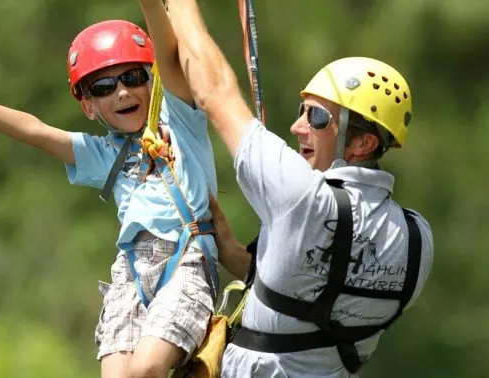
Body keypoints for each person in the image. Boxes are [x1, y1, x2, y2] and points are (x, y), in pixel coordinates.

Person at [0, 3, 219, 377]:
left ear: (152, 79)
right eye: (104, 87)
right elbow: (37, 131)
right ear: (89, 106)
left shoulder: (180, 120)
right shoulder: (104, 154)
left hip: (185, 258)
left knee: (146, 370)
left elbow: (166, 48)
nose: (122, 92)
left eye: (132, 77)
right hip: (130, 269)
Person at [165, 0, 434, 377]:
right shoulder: (418, 238)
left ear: (362, 145)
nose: (297, 127)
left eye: (317, 116)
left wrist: (180, 8)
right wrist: (235, 255)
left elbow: (216, 92)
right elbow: (316, 303)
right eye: (301, 110)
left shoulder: (303, 196)